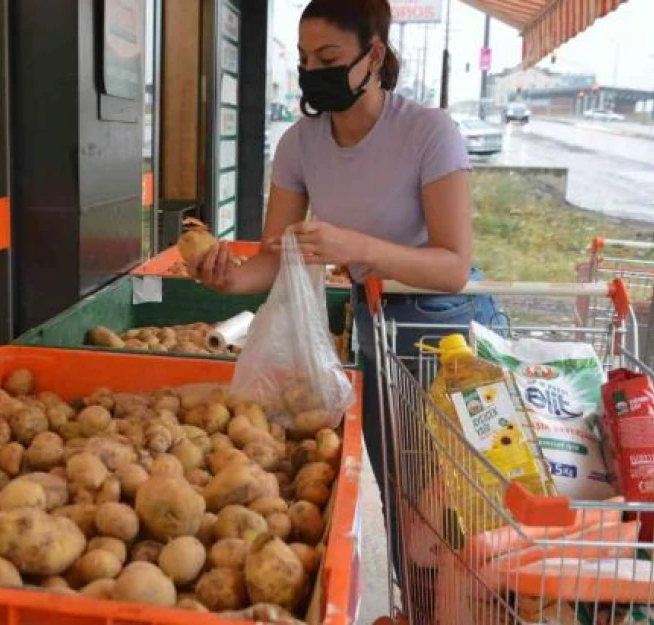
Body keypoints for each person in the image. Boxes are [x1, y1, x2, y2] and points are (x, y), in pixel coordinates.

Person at [188, 0, 501, 597]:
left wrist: (351, 244)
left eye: (329, 58)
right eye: (305, 60)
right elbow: (276, 258)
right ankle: (421, 606)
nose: (313, 72)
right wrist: (227, 278)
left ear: (373, 56)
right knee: (404, 499)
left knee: (460, 509)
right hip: (377, 324)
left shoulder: (428, 132)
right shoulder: (300, 144)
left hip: (447, 326)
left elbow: (453, 266)